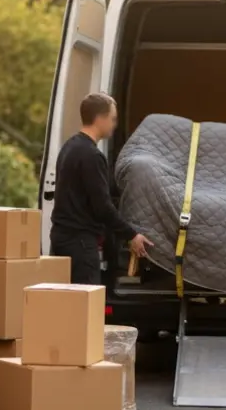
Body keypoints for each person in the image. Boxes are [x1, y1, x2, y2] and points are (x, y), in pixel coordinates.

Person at [50, 92, 154, 285]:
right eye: (113, 119)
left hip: (62, 239)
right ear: (100, 119)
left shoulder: (69, 147)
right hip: (80, 243)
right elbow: (102, 207)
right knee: (86, 299)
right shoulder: (92, 156)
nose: (115, 124)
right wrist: (131, 235)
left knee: (69, 298)